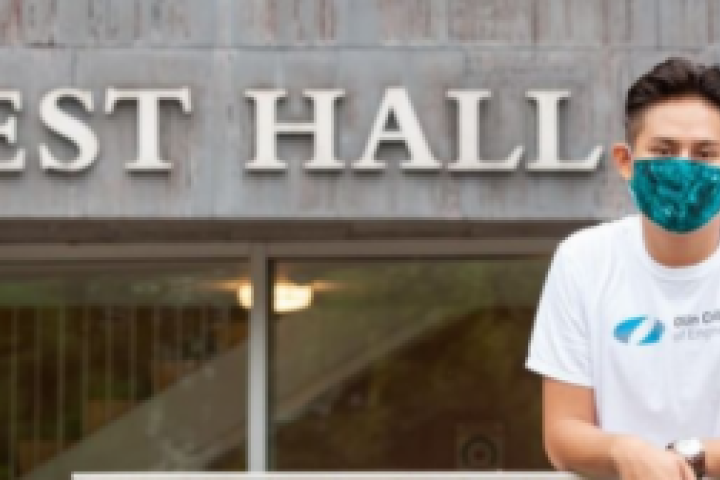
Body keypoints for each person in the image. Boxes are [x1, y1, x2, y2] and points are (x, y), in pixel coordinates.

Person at [526, 56, 720, 480]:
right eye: (664, 151)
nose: (684, 167)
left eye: (706, 154)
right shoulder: (583, 260)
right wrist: (621, 449)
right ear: (626, 161)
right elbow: (561, 432)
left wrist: (689, 456)